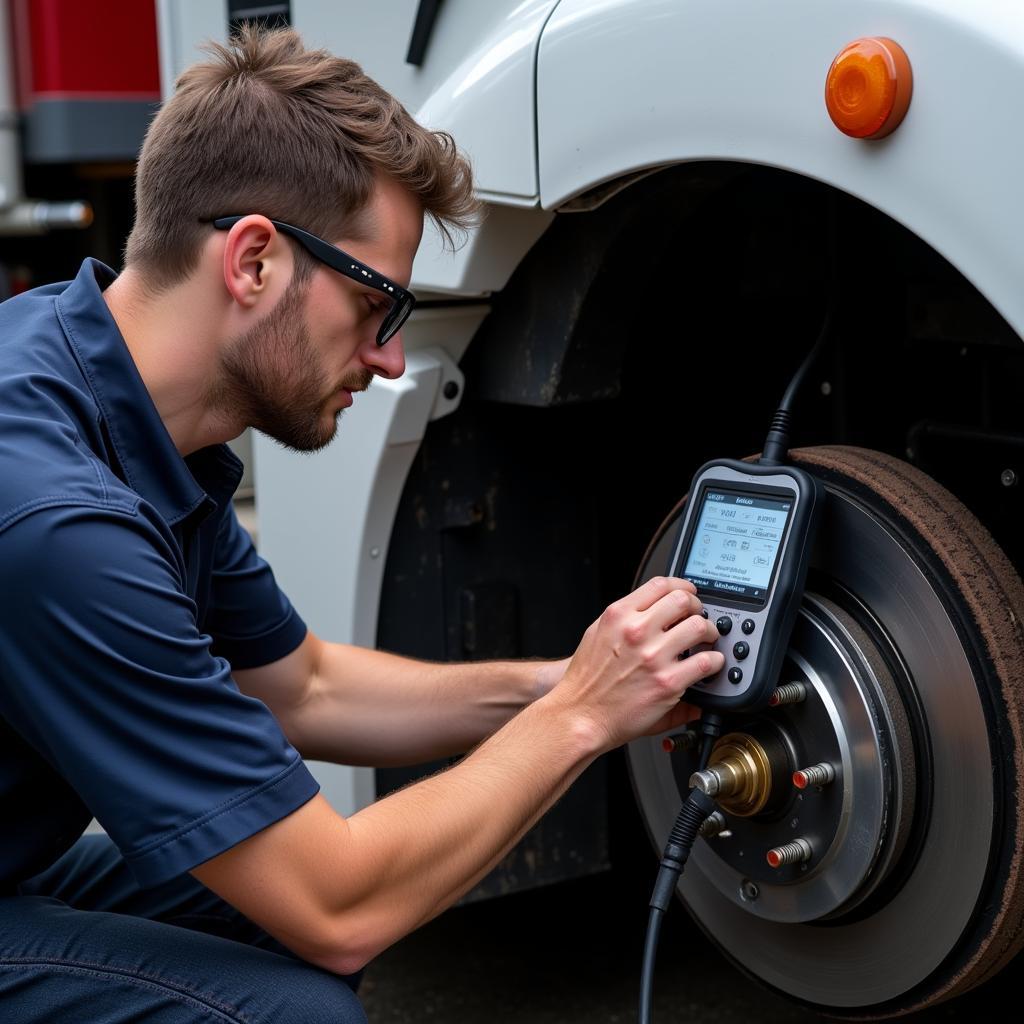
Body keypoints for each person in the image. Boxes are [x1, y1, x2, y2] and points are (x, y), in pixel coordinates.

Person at [0, 26, 723, 1024]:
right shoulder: (60, 524)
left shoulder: (93, 384)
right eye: (376, 303)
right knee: (300, 1007)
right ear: (253, 260)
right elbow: (341, 905)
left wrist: (563, 682)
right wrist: (584, 718)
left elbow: (307, 684)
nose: (388, 359)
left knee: (265, 924)